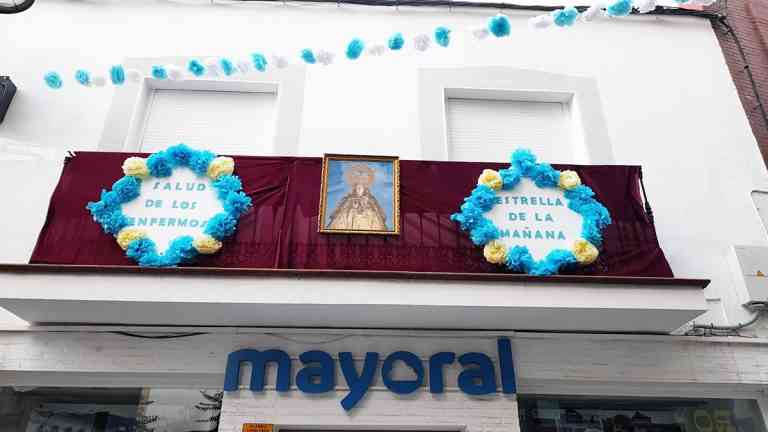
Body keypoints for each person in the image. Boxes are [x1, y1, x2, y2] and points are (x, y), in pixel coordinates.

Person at [327, 163, 388, 231]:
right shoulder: (348, 198)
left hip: (368, 219)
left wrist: (365, 204)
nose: (359, 189)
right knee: (346, 214)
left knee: (372, 213)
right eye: (358, 187)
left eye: (361, 187)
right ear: (355, 188)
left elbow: (376, 209)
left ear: (365, 188)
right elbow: (341, 208)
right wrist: (353, 206)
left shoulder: (371, 199)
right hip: (349, 218)